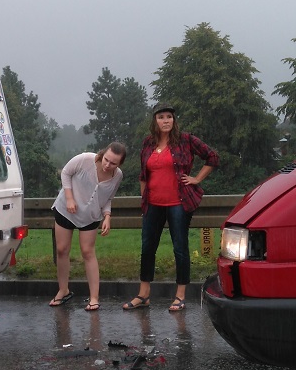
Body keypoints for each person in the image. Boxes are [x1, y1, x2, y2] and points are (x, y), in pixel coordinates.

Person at [122, 102, 219, 312]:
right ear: (154, 121)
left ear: (174, 120)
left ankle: (180, 296)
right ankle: (143, 294)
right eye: (161, 117)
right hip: (153, 204)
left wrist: (196, 179)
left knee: (180, 248)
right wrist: (144, 199)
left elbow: (212, 157)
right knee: (147, 248)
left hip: (179, 203)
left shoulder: (186, 140)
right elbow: (143, 174)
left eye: (169, 117)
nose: (165, 121)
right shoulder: (148, 142)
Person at [48, 142, 126, 310]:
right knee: (62, 249)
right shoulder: (85, 159)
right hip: (66, 209)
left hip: (90, 215)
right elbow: (66, 173)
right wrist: (69, 198)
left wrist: (107, 216)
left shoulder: (118, 176)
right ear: (102, 154)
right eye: (106, 160)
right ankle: (63, 290)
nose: (108, 165)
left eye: (113, 163)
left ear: (120, 164)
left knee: (88, 252)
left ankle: (94, 298)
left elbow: (108, 198)